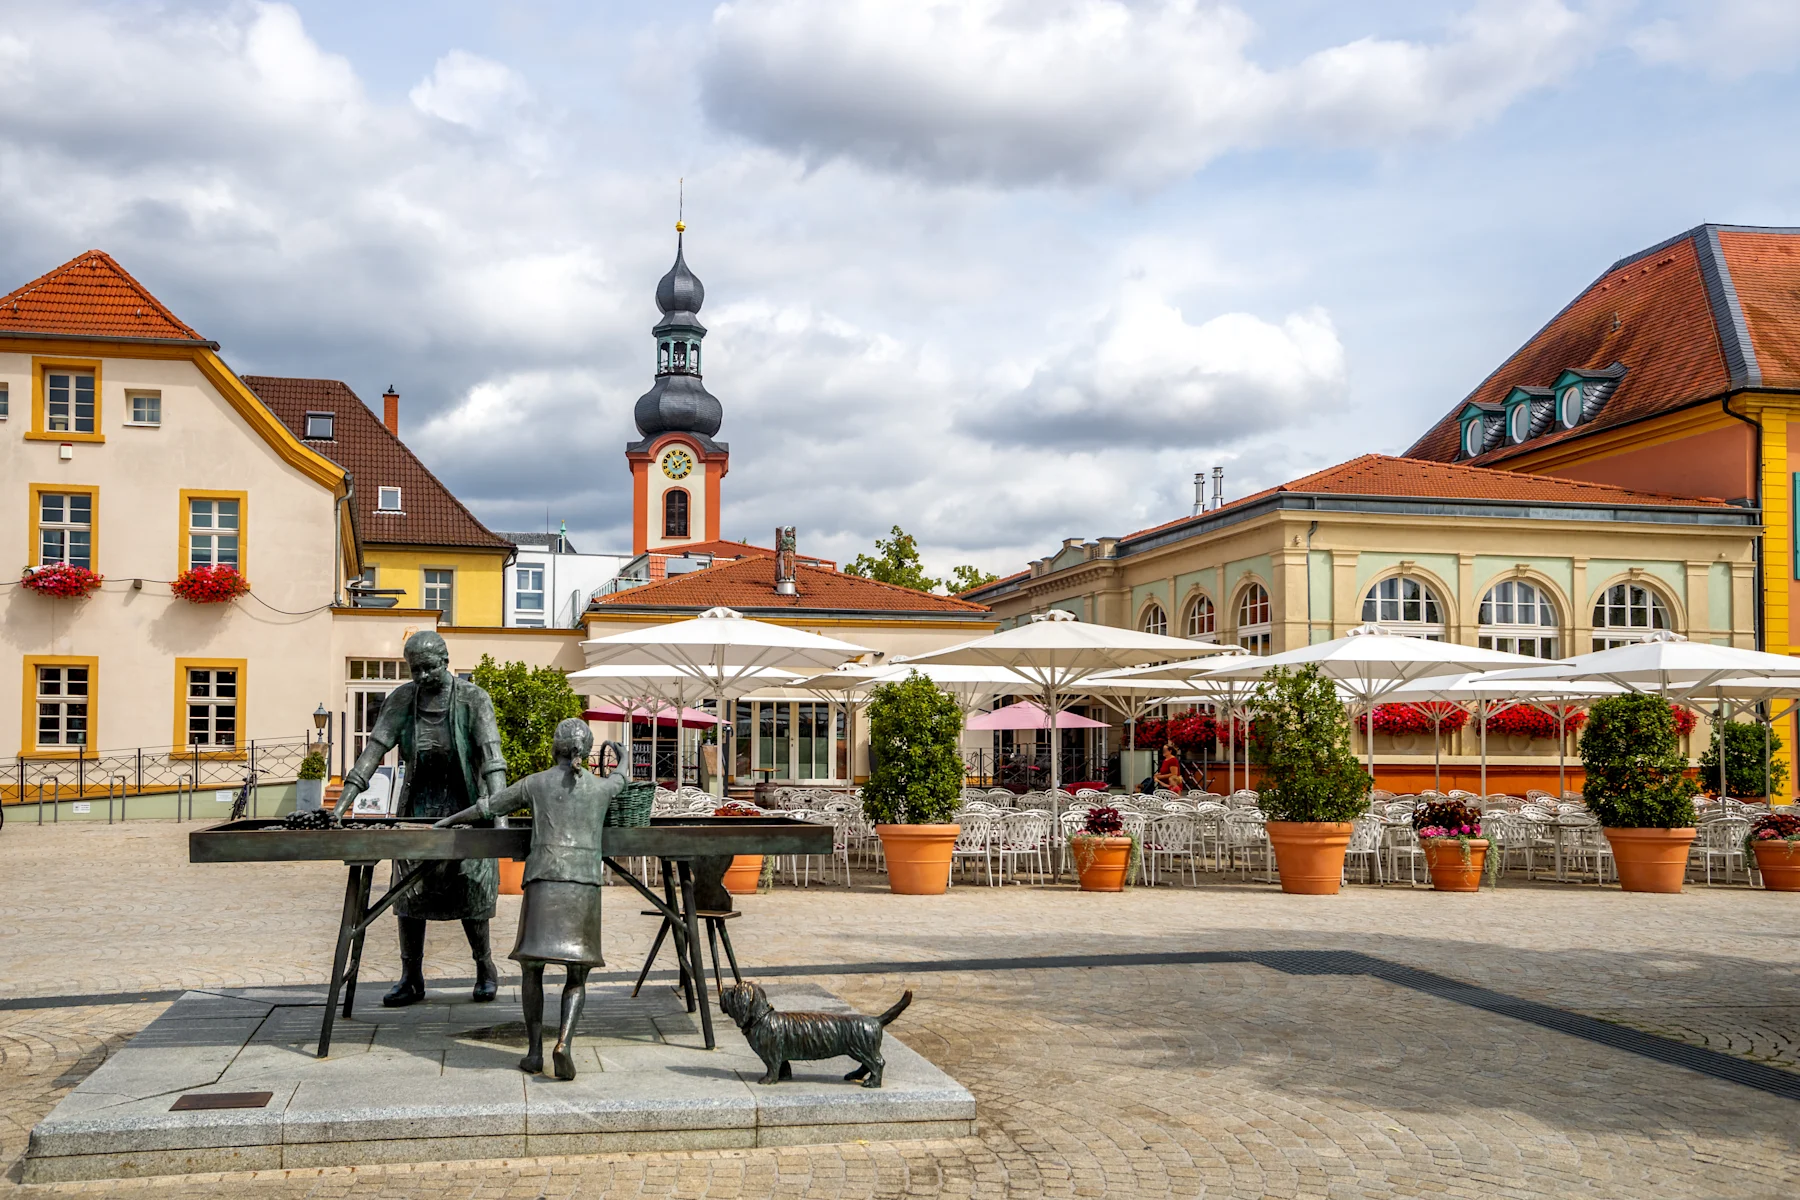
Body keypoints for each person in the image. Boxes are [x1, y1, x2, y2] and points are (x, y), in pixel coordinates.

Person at [436, 719, 627, 1080]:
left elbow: (490, 806)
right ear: (586, 752)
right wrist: (624, 758)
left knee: (532, 969)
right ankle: (564, 1043)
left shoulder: (535, 783)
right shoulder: (601, 788)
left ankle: (535, 1051)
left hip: (543, 881)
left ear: (554, 748)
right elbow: (621, 780)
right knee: (577, 974)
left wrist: (447, 822)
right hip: (584, 885)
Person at [334, 631, 507, 1007]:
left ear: (446, 661)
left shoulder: (474, 699)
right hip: (417, 811)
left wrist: (500, 821)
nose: (422, 676)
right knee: (409, 893)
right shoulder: (401, 699)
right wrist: (341, 806)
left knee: (471, 890)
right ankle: (411, 976)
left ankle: (484, 967)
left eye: (429, 668)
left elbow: (492, 758)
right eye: (415, 669)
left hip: (465, 810)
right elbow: (373, 752)